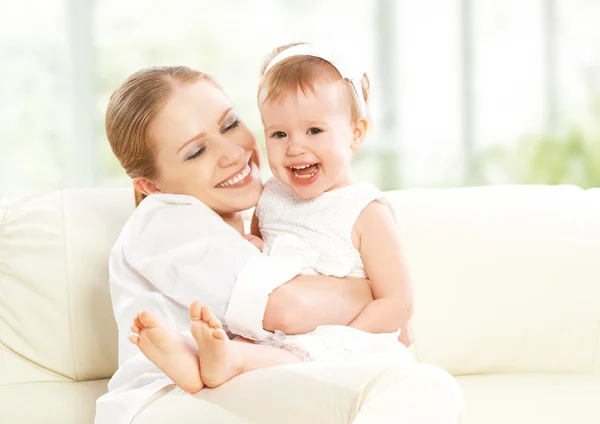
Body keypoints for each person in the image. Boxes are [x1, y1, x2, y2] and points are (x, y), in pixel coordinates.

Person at [94, 65, 463, 424]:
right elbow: (290, 309)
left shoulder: (263, 220)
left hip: (242, 387)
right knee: (421, 388)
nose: (233, 152)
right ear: (151, 186)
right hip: (167, 400)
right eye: (196, 152)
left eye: (230, 124)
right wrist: (378, 291)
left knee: (403, 385)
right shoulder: (163, 219)